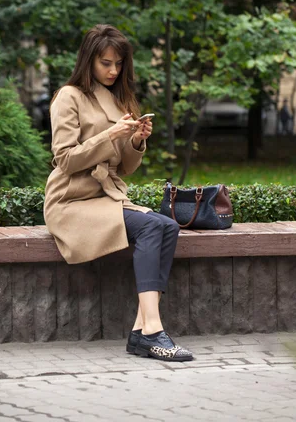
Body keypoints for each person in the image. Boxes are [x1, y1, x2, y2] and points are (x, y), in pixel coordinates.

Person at [44, 24, 193, 362]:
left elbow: (124, 168)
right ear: (89, 60)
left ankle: (142, 331)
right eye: (105, 63)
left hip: (107, 196)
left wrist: (137, 140)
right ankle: (153, 331)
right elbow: (65, 159)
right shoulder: (69, 96)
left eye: (118, 64)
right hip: (71, 200)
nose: (113, 71)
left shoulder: (119, 97)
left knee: (167, 226)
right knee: (153, 226)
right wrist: (110, 135)